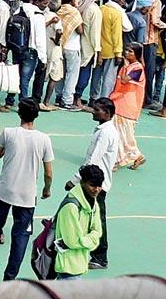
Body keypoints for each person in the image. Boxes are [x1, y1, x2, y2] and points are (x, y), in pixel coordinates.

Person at [0, 98, 54, 283]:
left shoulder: (9, 133)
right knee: (20, 237)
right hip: (27, 196)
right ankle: (10, 279)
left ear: (19, 114)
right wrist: (46, 189)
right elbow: (48, 173)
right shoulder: (44, 139)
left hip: (3, 191)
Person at [68, 96, 117, 269]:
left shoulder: (105, 133)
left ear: (107, 113)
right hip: (95, 182)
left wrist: (74, 180)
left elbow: (92, 160)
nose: (93, 112)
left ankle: (100, 256)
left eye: (97, 110)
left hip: (95, 184)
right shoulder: (105, 130)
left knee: (97, 219)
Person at [53, 164, 105, 280]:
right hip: (67, 267)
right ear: (82, 183)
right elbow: (72, 241)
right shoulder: (71, 207)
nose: (96, 189)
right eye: (92, 185)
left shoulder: (93, 203)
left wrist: (85, 240)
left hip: (79, 265)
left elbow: (98, 231)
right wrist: (91, 240)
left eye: (99, 186)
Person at [109, 43, 146, 170]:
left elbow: (125, 80)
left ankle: (119, 160)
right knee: (120, 133)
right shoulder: (129, 66)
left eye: (130, 51)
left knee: (123, 134)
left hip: (128, 106)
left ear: (137, 54)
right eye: (126, 50)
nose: (126, 53)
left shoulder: (137, 68)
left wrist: (125, 65)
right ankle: (136, 156)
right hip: (119, 102)